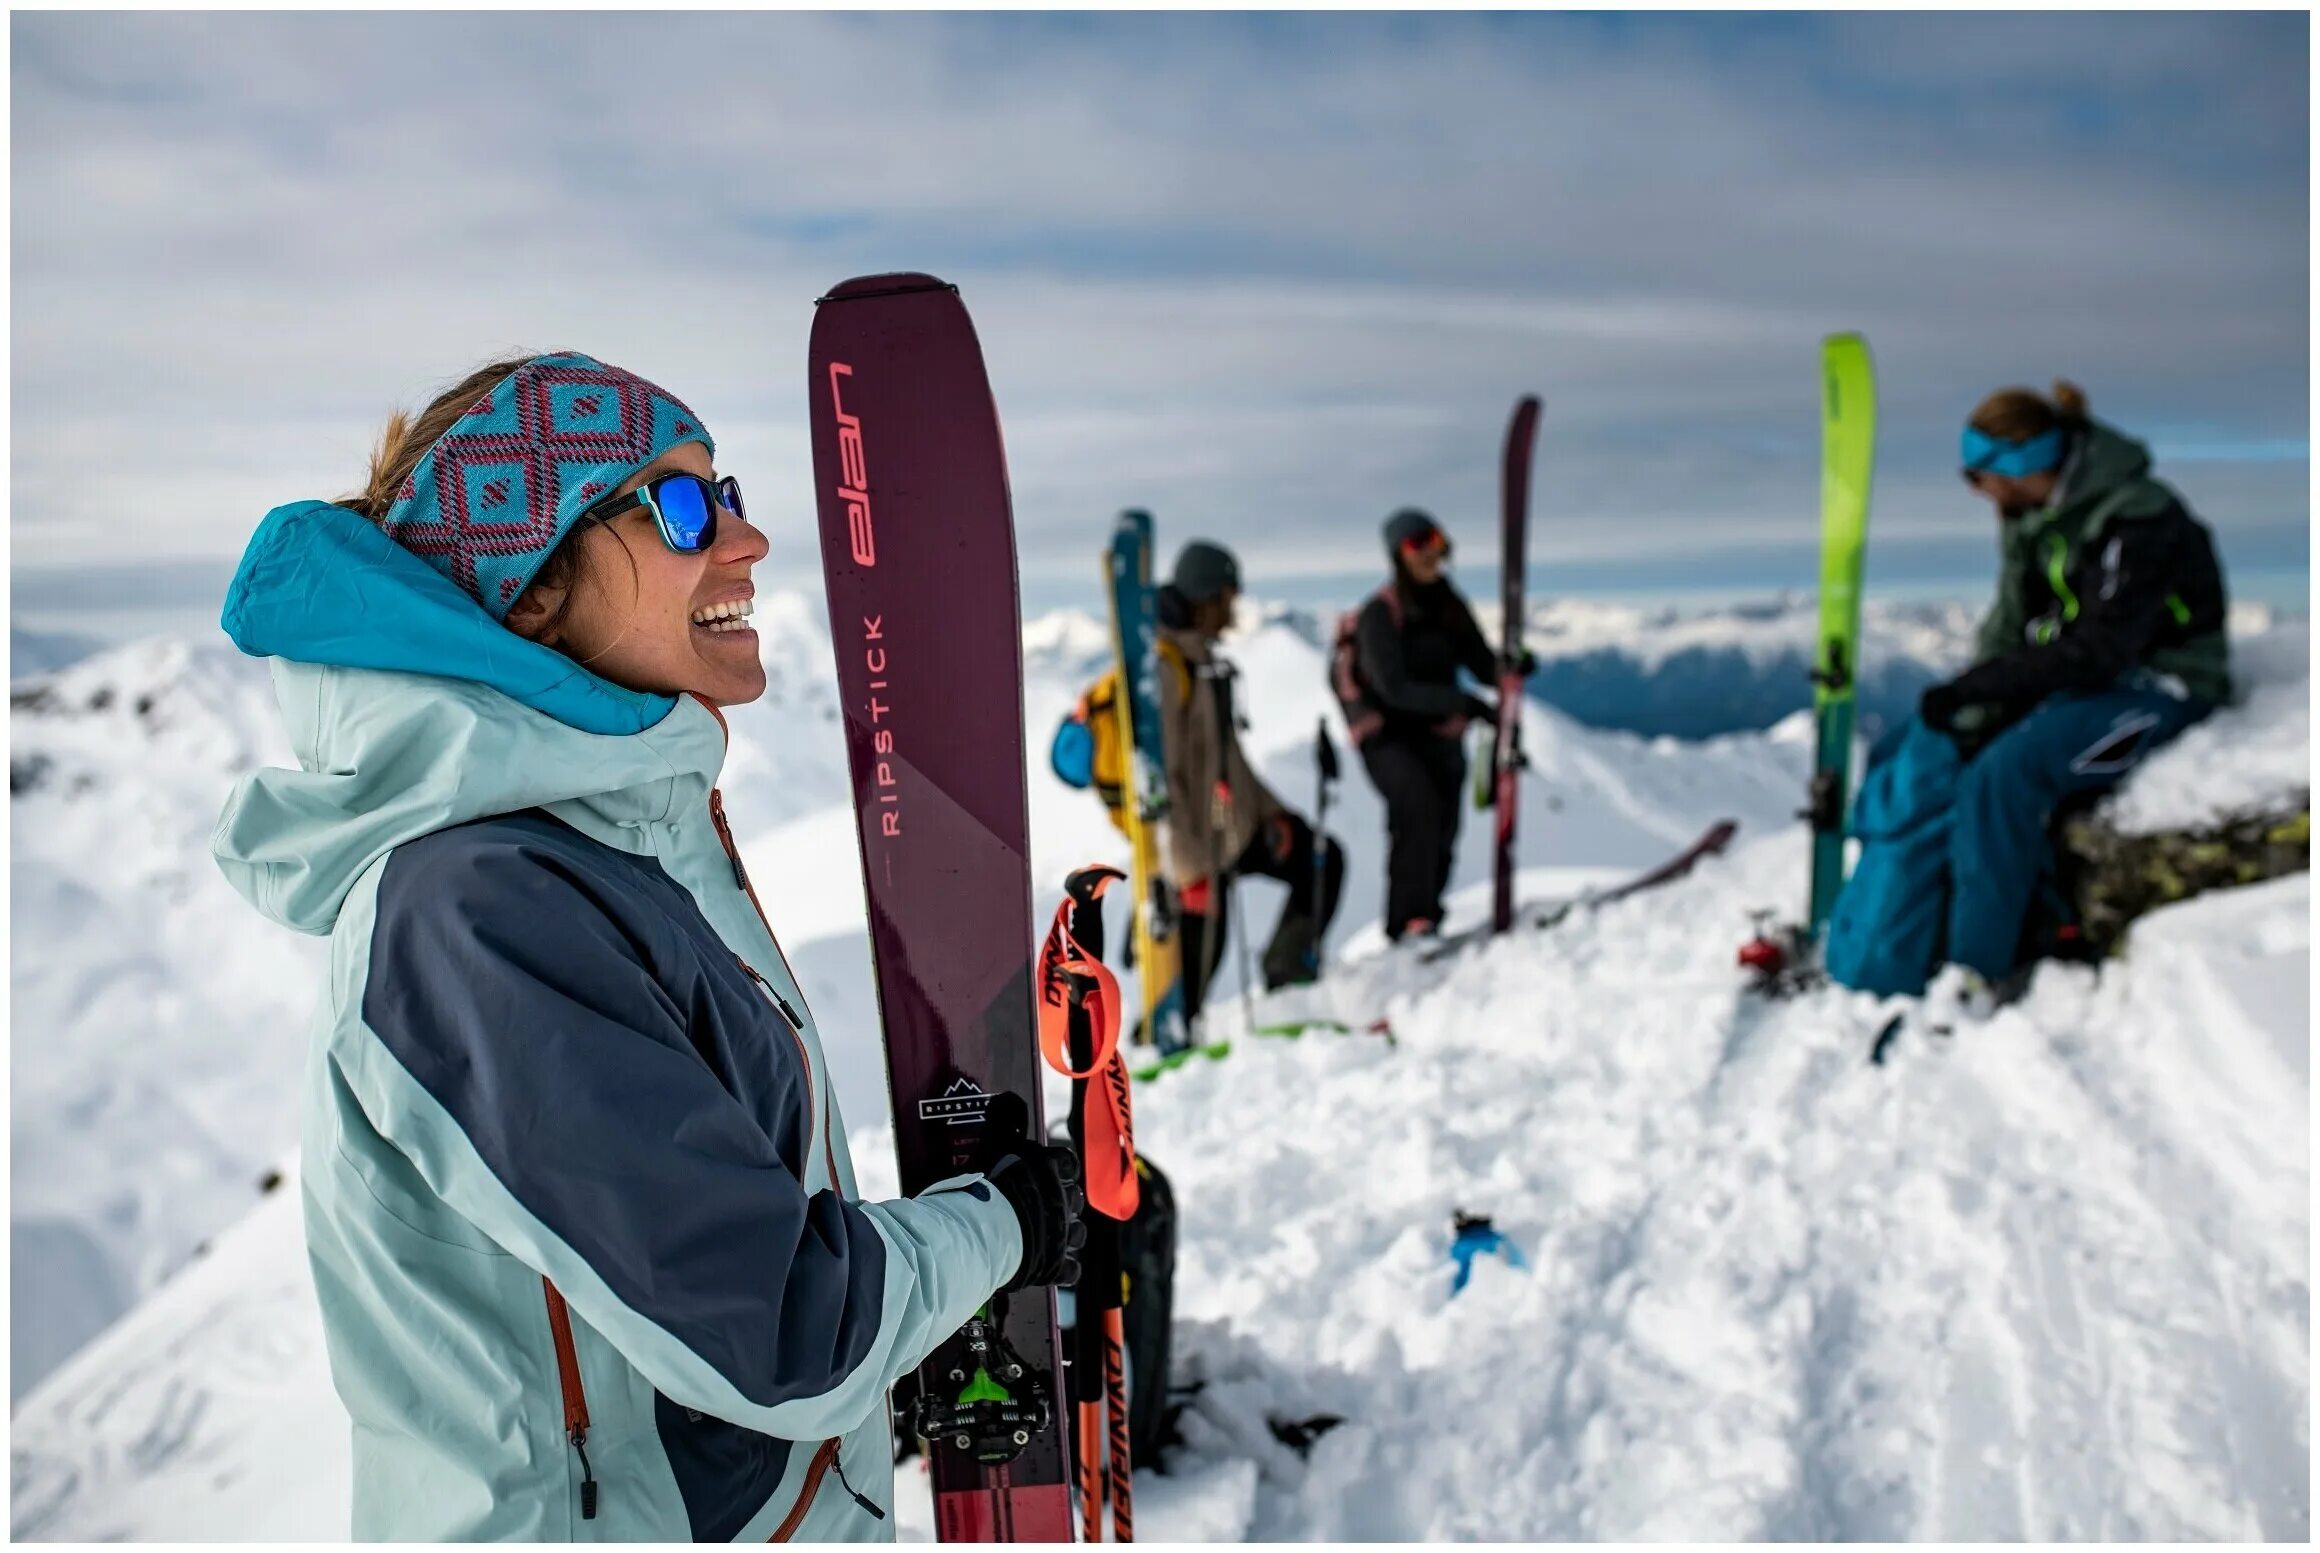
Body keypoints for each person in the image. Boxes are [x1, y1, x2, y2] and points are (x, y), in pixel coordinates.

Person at [211, 353, 1084, 1540]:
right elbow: (786, 1334)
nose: (745, 537)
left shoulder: (604, 843)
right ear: (530, 587)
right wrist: (1012, 1223)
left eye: (726, 488)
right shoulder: (476, 912)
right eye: (680, 507)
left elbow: (693, 1298)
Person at [1827, 379, 2230, 1001]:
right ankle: (1890, 925)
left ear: (2019, 468)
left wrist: (1986, 686)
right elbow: (2012, 623)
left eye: (1977, 477)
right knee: (1921, 749)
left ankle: (1976, 967)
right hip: (2083, 684)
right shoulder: (2031, 518)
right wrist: (1969, 699)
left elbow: (2103, 648)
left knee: (2006, 775)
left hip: (2161, 688)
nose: (1976, 493)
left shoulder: (2138, 519)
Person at [1155, 540, 1343, 1016]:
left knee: (1320, 859)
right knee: (1196, 966)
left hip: (1231, 829)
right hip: (1194, 846)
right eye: (1228, 596)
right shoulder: (1166, 668)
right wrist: (1190, 866)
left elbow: (1230, 761)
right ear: (1207, 596)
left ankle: (1288, 978)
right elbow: (1163, 778)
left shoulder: (1205, 663)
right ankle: (1163, 1042)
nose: (1234, 608)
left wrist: (1274, 814)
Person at [1337, 509, 1518, 941]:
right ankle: (1406, 924)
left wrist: (1508, 669)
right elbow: (1393, 689)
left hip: (1439, 732)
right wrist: (1464, 703)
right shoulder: (1379, 615)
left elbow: (1478, 659)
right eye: (1417, 544)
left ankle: (1428, 917)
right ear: (1398, 554)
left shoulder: (1448, 604)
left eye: (1434, 542)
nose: (1429, 553)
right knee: (1416, 809)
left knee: (1444, 826)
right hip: (1388, 736)